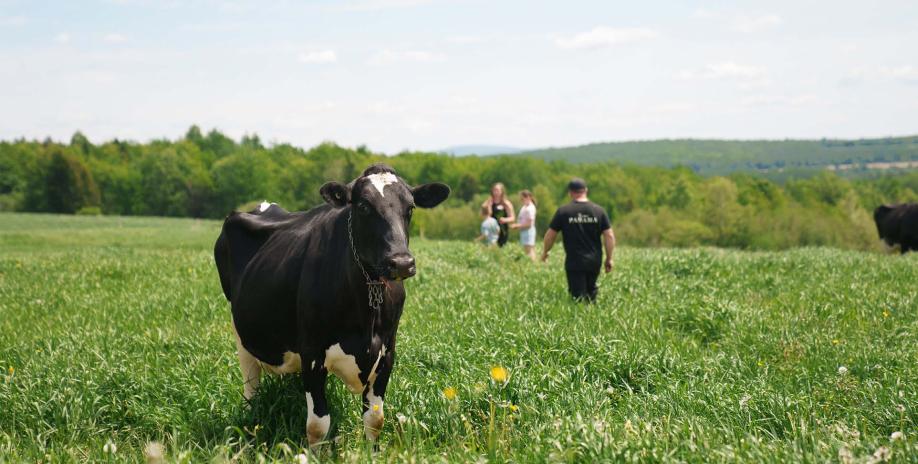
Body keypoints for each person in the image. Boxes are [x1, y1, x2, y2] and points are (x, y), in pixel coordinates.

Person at [541, 178, 615, 302]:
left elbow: (550, 235)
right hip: (594, 260)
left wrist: (545, 252)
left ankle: (583, 319)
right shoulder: (599, 211)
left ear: (570, 193)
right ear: (586, 190)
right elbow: (609, 236)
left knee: (577, 299)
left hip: (574, 261)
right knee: (591, 294)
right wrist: (609, 258)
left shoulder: (564, 211)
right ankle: (593, 319)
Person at [481, 183, 515, 247]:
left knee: (501, 247)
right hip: (491, 230)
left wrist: (505, 220)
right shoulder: (489, 202)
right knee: (490, 248)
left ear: (502, 192)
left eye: (497, 190)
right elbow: (483, 213)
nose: (496, 192)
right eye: (494, 190)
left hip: (502, 230)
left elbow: (512, 218)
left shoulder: (506, 203)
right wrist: (488, 205)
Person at [510, 190, 537, 261]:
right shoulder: (526, 207)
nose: (521, 201)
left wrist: (517, 226)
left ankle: (534, 266)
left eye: (522, 199)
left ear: (528, 197)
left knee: (529, 250)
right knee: (528, 250)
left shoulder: (530, 208)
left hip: (528, 232)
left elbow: (529, 224)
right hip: (525, 232)